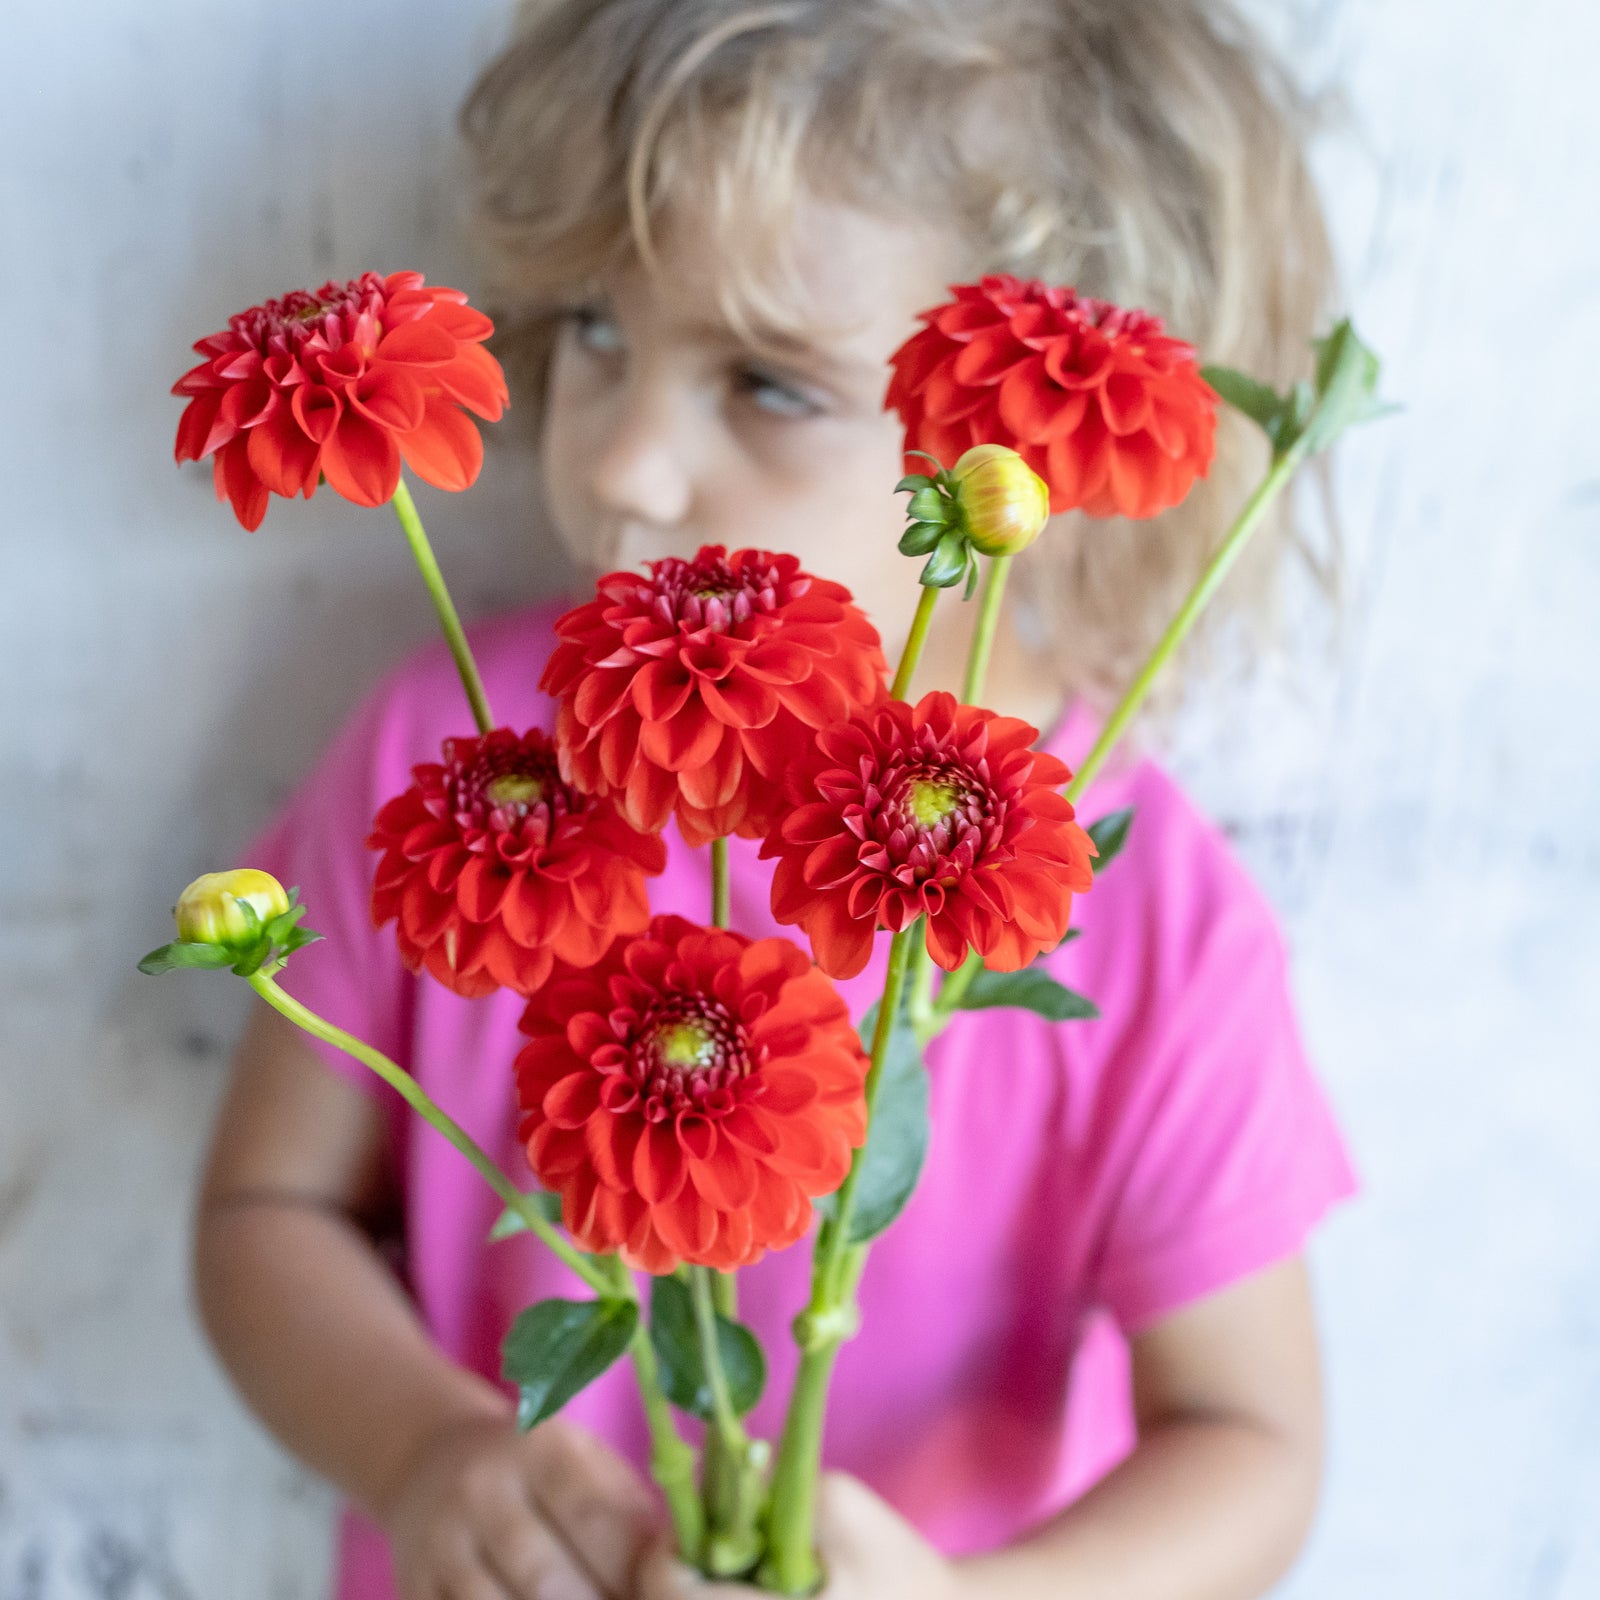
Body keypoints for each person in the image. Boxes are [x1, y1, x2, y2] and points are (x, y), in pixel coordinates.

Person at [192, 3, 1358, 1598]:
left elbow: (1255, 1440)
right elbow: (268, 1211)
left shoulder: (1148, 917)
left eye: (767, 381)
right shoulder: (444, 752)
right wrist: (422, 1452)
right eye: (597, 328)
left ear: (1038, 435)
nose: (623, 465)